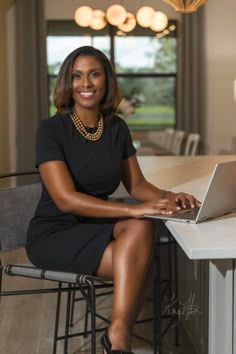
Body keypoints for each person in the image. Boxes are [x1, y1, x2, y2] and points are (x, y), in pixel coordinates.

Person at [26, 46, 200, 354]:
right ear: (67, 82)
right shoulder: (51, 130)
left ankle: (118, 338)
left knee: (142, 229)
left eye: (94, 74)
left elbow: (137, 184)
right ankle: (121, 340)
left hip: (96, 225)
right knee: (141, 261)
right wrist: (133, 211)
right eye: (77, 76)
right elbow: (66, 200)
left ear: (106, 79)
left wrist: (170, 197)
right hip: (55, 233)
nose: (86, 83)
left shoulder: (116, 127)